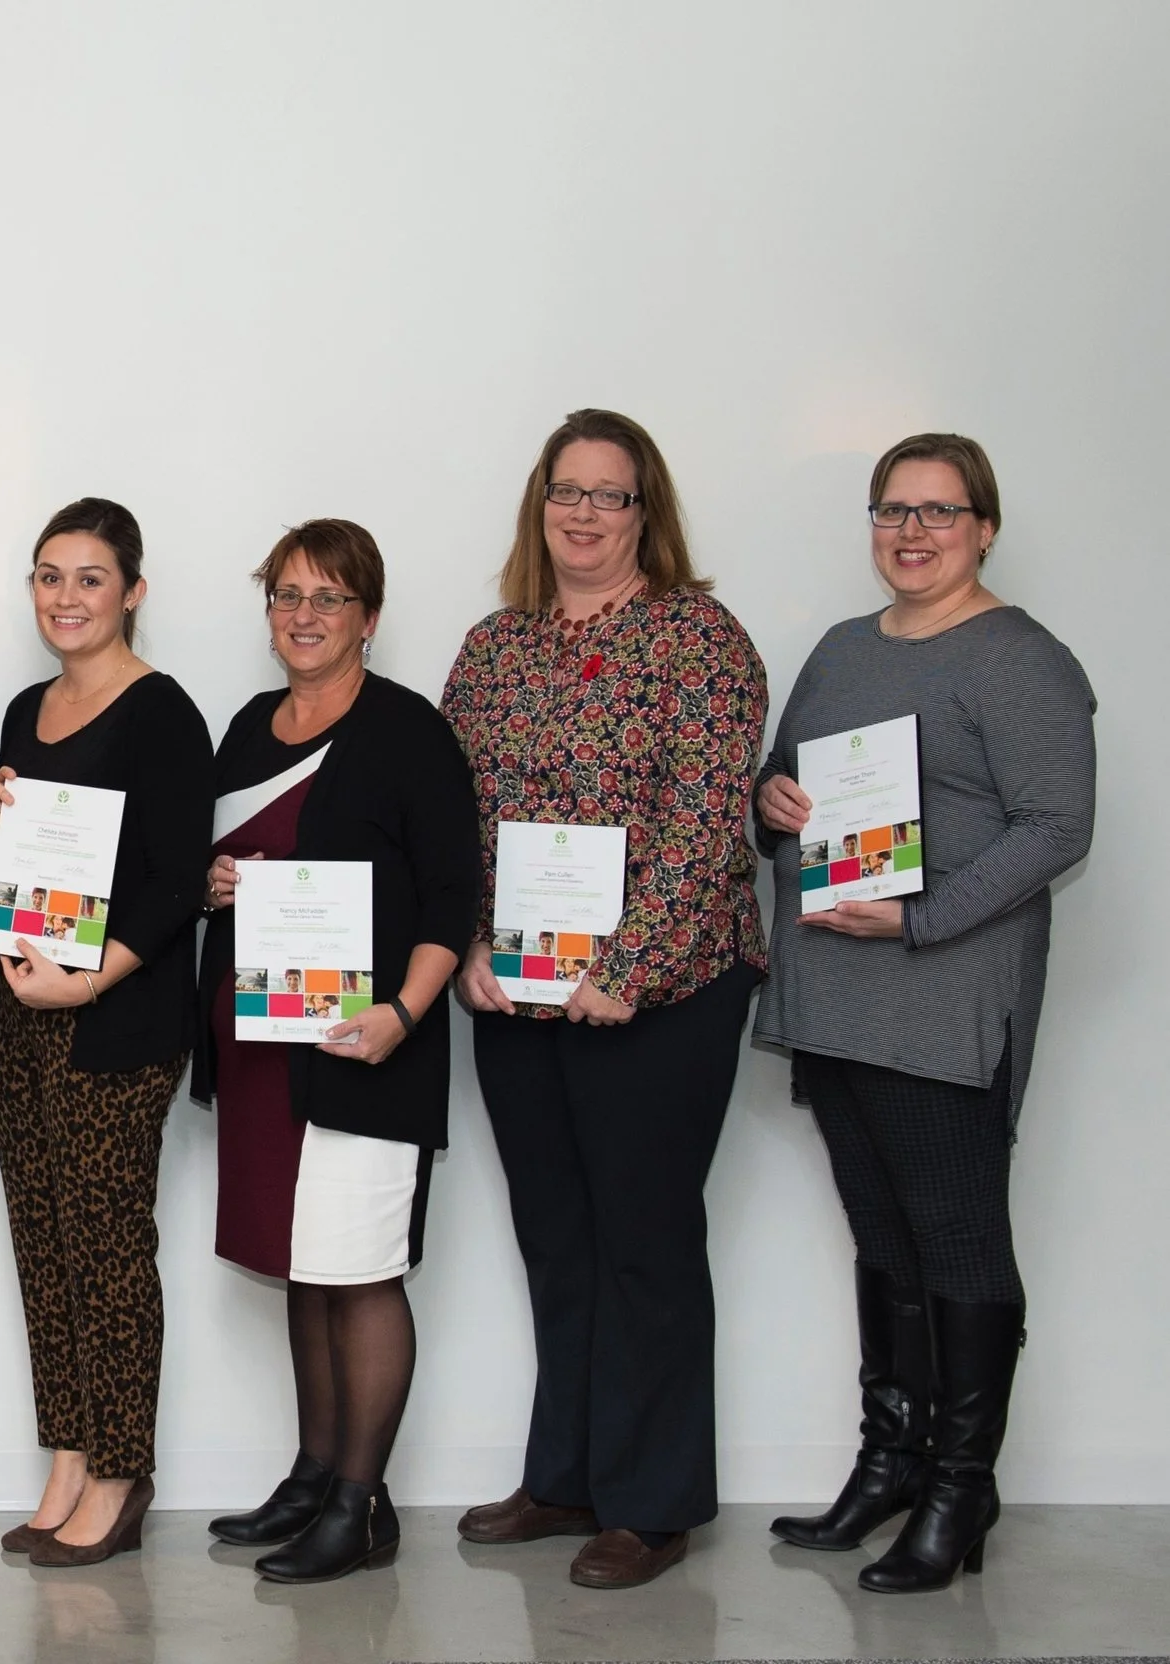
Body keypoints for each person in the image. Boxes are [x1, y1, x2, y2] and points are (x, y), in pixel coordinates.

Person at [753, 433, 1096, 1592]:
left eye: (939, 512)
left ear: (983, 527)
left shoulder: (1018, 659)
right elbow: (777, 783)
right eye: (892, 510)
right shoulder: (844, 647)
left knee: (955, 1242)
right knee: (882, 1239)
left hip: (944, 996)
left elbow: (1056, 828)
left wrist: (919, 920)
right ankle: (891, 1459)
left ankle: (961, 1488)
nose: (912, 532)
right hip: (836, 993)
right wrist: (771, 797)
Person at [442, 410, 767, 1589]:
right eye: (565, 491)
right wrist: (469, 941)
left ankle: (655, 1495)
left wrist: (626, 969)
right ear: (540, 505)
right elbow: (452, 814)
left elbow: (700, 822)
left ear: (647, 513)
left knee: (645, 1240)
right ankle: (567, 1471)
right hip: (516, 994)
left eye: (610, 495)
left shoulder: (700, 640)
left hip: (664, 993)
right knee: (557, 1241)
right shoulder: (493, 647)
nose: (583, 513)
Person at [191, 520, 481, 1583]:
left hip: (369, 1045)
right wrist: (210, 884)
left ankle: (359, 1502)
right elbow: (211, 863)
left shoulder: (407, 731)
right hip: (266, 1044)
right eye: (286, 594)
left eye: (329, 596)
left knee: (357, 1272)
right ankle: (316, 1473)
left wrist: (401, 1013)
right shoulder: (244, 729)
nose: (304, 615)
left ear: (368, 614)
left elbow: (454, 892)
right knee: (302, 1265)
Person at [0, 499, 212, 1568]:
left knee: (109, 1244)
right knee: (44, 1239)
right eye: (48, 576)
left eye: (88, 577)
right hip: (19, 1008)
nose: (65, 597)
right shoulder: (26, 708)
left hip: (116, 1015)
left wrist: (91, 979)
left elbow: (172, 888)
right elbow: (32, 872)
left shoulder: (163, 713)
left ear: (133, 592)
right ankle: (66, 1453)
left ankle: (119, 1470)